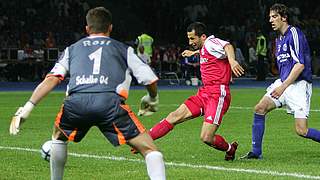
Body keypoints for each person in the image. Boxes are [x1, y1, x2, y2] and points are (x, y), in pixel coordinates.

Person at [9, 7, 166, 180]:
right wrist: (152, 98)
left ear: (87, 29)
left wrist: (27, 108)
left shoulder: (72, 49)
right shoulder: (124, 49)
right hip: (110, 103)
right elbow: (150, 79)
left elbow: (52, 79)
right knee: (151, 151)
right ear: (110, 28)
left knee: (59, 136)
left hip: (75, 103)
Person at [138, 22, 245, 161]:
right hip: (204, 93)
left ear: (203, 36)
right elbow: (207, 52)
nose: (190, 42)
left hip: (217, 95)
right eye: (189, 38)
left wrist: (232, 60)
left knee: (206, 137)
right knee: (174, 116)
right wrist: (194, 52)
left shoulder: (212, 42)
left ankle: (230, 149)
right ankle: (143, 141)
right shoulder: (206, 47)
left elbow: (227, 46)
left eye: (193, 38)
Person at [241, 3, 320, 159]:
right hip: (284, 83)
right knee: (260, 108)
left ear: (284, 18)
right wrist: (282, 84)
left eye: (274, 16)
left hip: (298, 85)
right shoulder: (279, 39)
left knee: (301, 130)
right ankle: (256, 152)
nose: (271, 20)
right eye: (269, 17)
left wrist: (283, 87)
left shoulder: (294, 34)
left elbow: (300, 65)